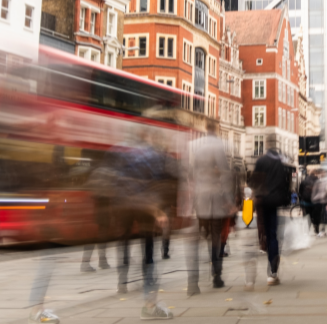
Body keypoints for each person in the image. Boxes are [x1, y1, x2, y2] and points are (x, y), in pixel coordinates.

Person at [112, 140, 174, 320]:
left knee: (123, 243)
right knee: (148, 253)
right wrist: (158, 211)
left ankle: (122, 281)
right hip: (144, 209)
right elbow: (154, 186)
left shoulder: (122, 154)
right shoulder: (151, 157)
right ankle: (149, 305)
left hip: (123, 208)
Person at [189, 135, 234, 292]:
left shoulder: (198, 152)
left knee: (200, 240)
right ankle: (216, 276)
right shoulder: (219, 151)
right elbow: (226, 176)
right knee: (216, 241)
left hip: (201, 202)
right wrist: (230, 201)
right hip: (215, 203)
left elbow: (193, 177)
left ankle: (193, 281)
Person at [250, 146, 290, 286]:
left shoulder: (261, 161)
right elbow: (285, 183)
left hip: (262, 199)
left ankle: (263, 245)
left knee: (264, 230)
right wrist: (285, 199)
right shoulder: (280, 163)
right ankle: (272, 272)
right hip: (275, 200)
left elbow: (254, 180)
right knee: (273, 234)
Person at [80, 164, 116, 272]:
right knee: (101, 237)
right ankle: (99, 262)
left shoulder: (94, 176)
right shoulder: (107, 178)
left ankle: (91, 262)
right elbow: (111, 194)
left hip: (94, 211)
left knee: (93, 237)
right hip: (102, 211)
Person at [311, 172, 327, 237]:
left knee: (325, 215)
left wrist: (316, 198)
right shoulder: (320, 182)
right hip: (325, 200)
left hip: (325, 200)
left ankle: (324, 230)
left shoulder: (325, 182)